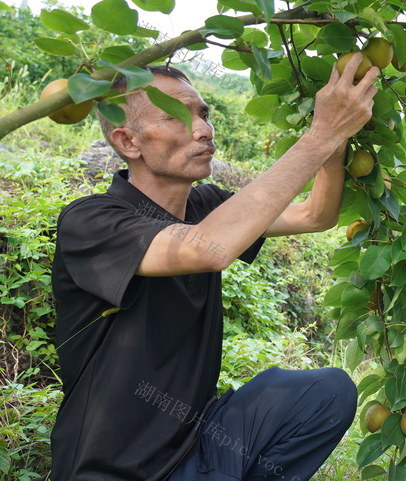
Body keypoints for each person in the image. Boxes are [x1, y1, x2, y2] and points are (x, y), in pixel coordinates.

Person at [50, 56, 378, 481]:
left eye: (203, 113)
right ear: (128, 142)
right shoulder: (91, 221)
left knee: (326, 392)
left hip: (197, 442)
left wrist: (335, 146)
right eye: (177, 116)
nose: (204, 129)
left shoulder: (206, 205)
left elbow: (315, 215)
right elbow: (206, 249)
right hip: (114, 469)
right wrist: (319, 135)